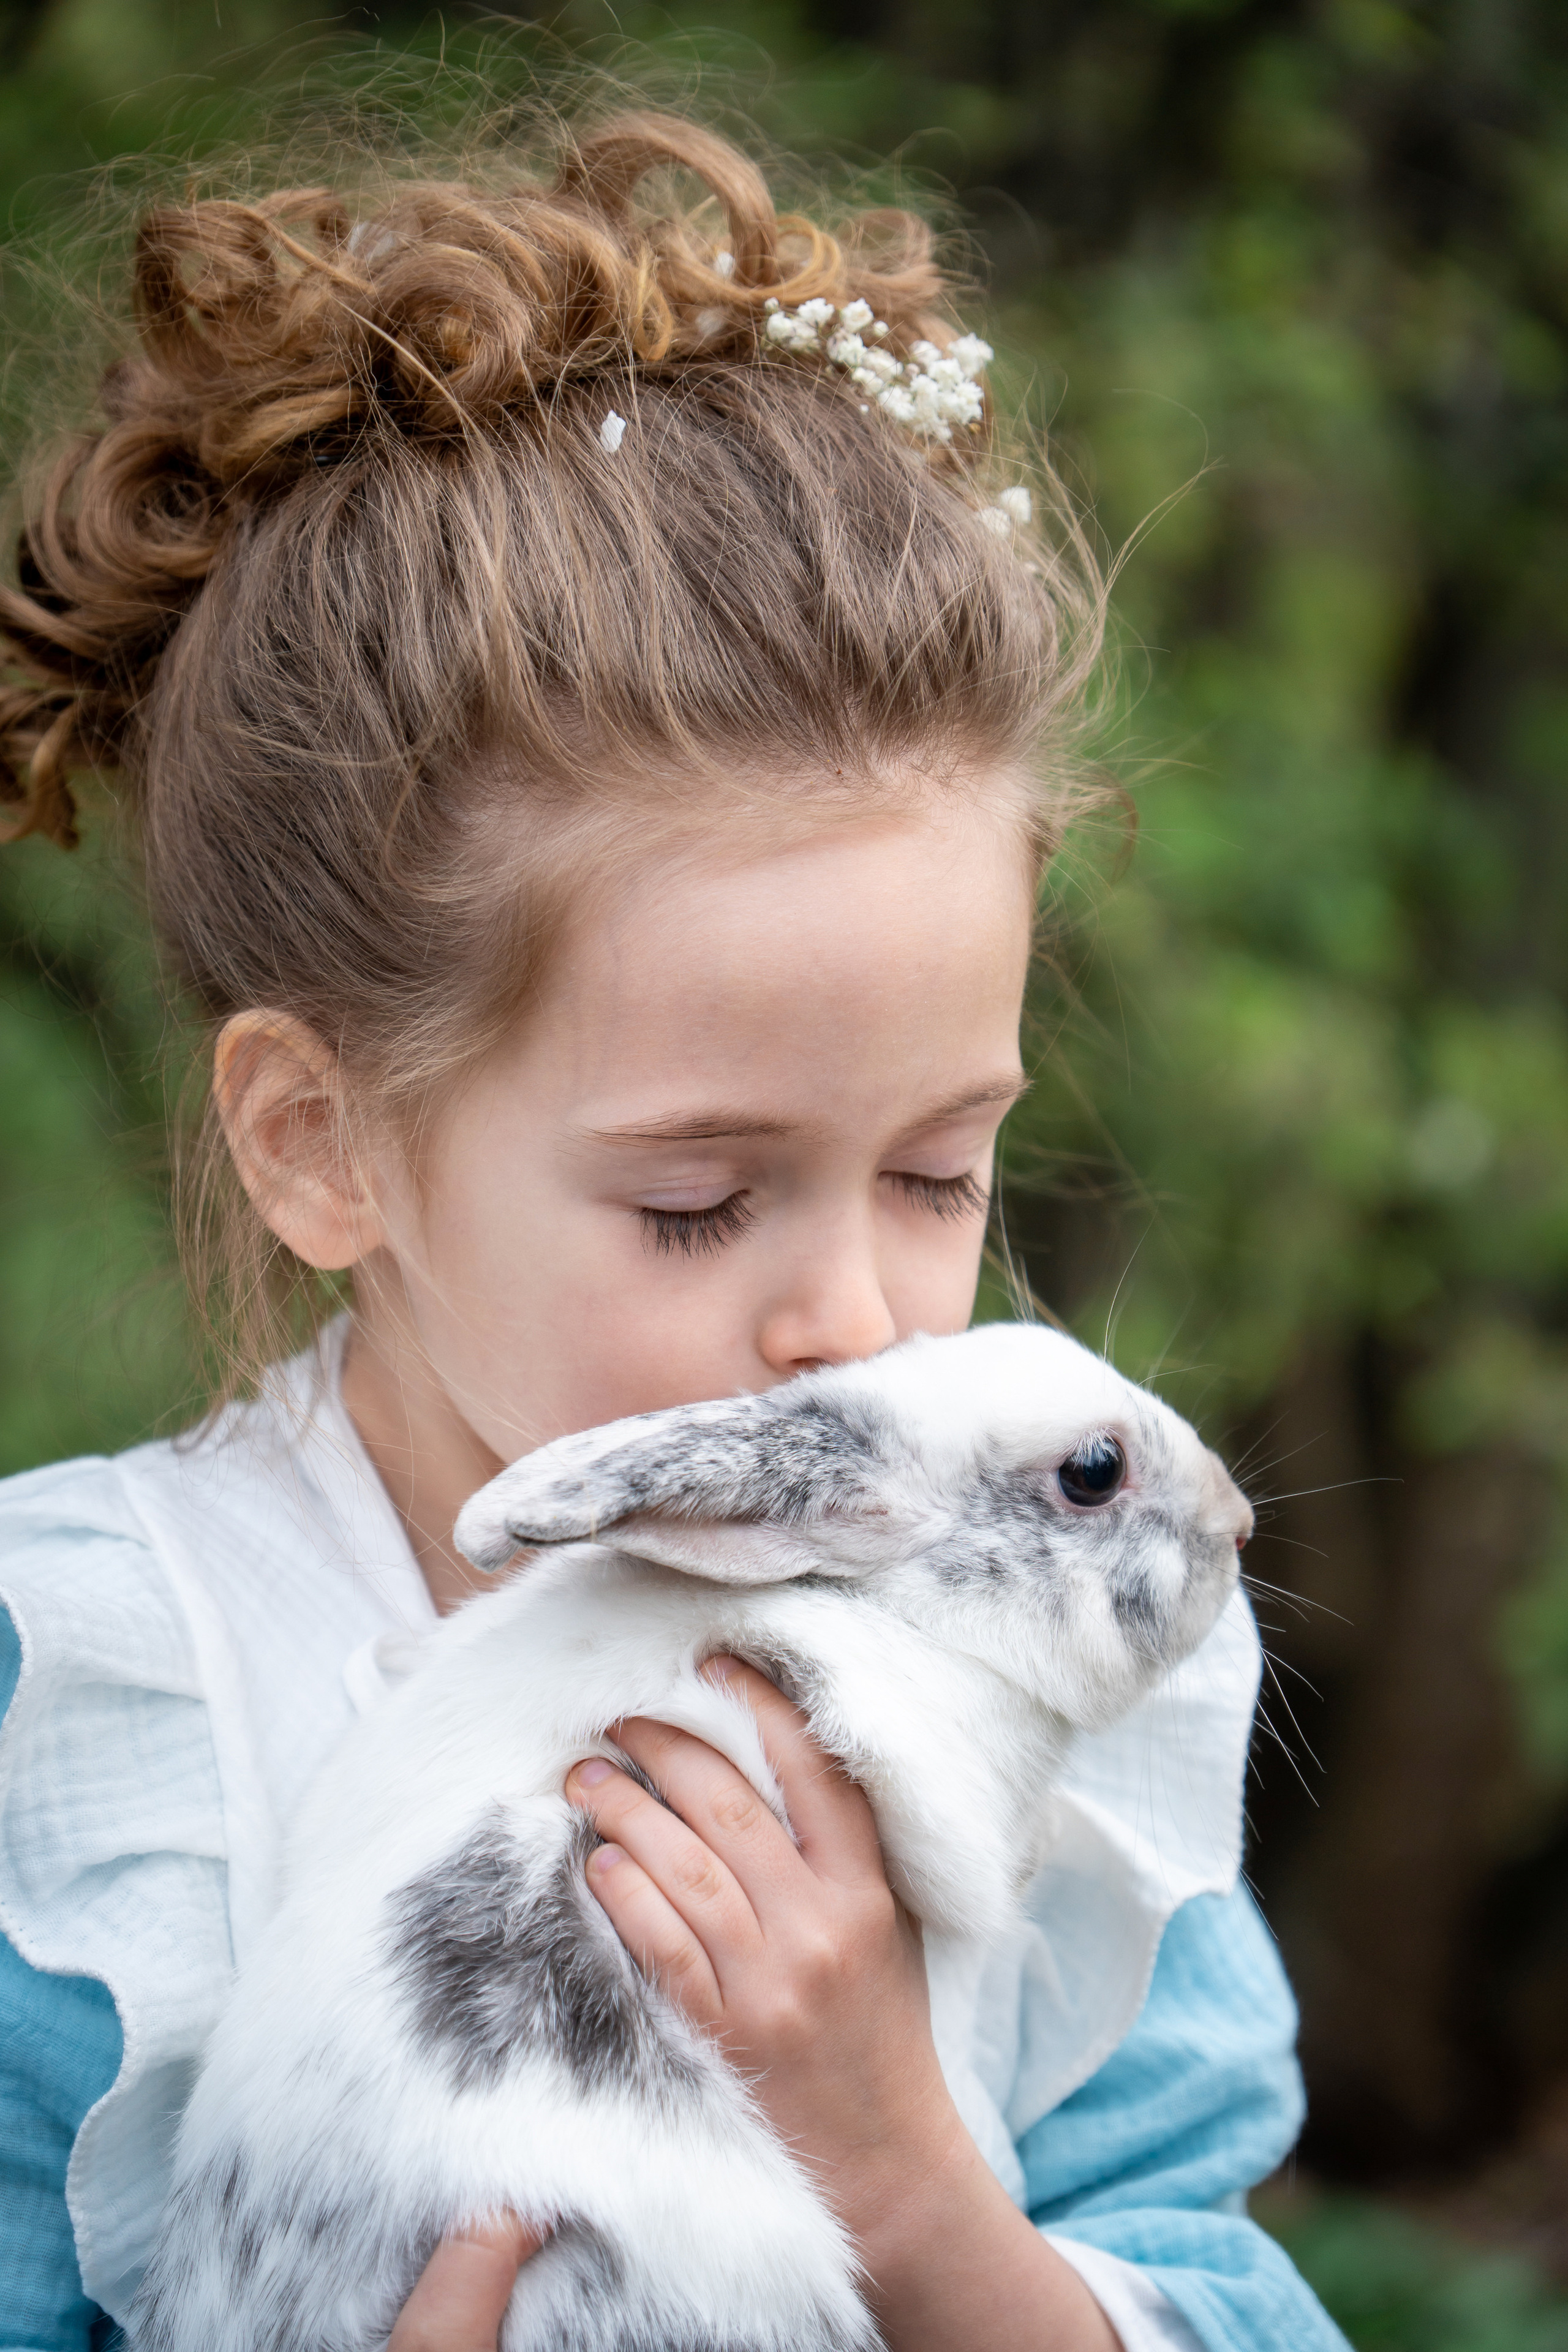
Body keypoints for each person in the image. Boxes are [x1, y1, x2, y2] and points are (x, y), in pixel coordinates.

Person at [0, 97, 1349, 2352]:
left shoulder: (1075, 1620)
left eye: (941, 1171)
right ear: (322, 1144)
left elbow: (1222, 2273)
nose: (858, 1318)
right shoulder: (91, 1714)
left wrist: (912, 2191)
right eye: (702, 1202)